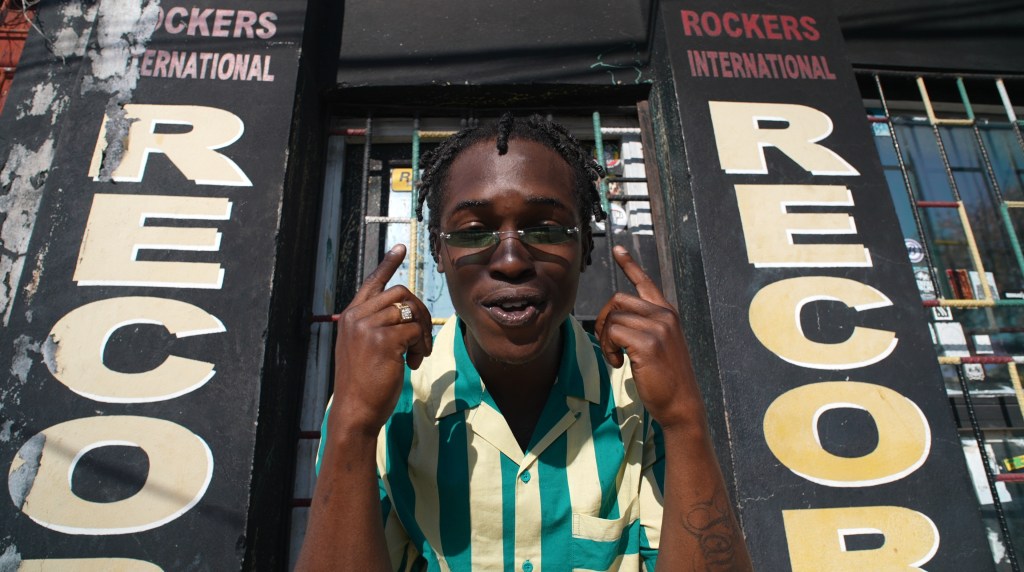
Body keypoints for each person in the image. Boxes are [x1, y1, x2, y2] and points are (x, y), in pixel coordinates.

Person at [297, 114, 752, 571]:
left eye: (546, 229)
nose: (512, 261)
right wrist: (353, 425)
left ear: (584, 248)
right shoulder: (384, 403)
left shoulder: (643, 398)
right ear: (439, 252)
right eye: (473, 232)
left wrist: (684, 419)